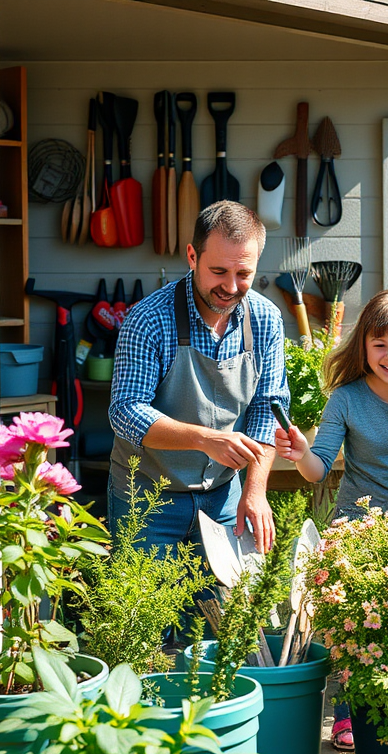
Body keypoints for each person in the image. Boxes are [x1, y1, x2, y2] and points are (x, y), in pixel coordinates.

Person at [274, 288, 388, 749]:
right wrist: (300, 454)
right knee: (355, 625)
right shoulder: (347, 398)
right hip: (357, 527)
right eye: (380, 345)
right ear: (364, 346)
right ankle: (347, 713)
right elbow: (319, 467)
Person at [108, 201, 289, 555]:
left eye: (244, 274)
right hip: (148, 500)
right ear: (192, 256)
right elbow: (125, 411)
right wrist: (206, 439)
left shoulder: (266, 319)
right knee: (147, 610)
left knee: (226, 610)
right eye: (218, 271)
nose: (232, 287)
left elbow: (270, 408)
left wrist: (254, 489)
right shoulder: (149, 320)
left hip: (225, 498)